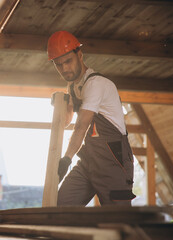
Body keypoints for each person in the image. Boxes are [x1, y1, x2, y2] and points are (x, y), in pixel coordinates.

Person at [47, 31, 136, 206]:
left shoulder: (96, 84)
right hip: (89, 160)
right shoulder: (73, 86)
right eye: (59, 65)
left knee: (119, 223)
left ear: (80, 55)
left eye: (68, 61)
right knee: (61, 206)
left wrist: (66, 159)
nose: (65, 69)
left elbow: (81, 126)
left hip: (113, 162)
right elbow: (67, 122)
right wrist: (60, 106)